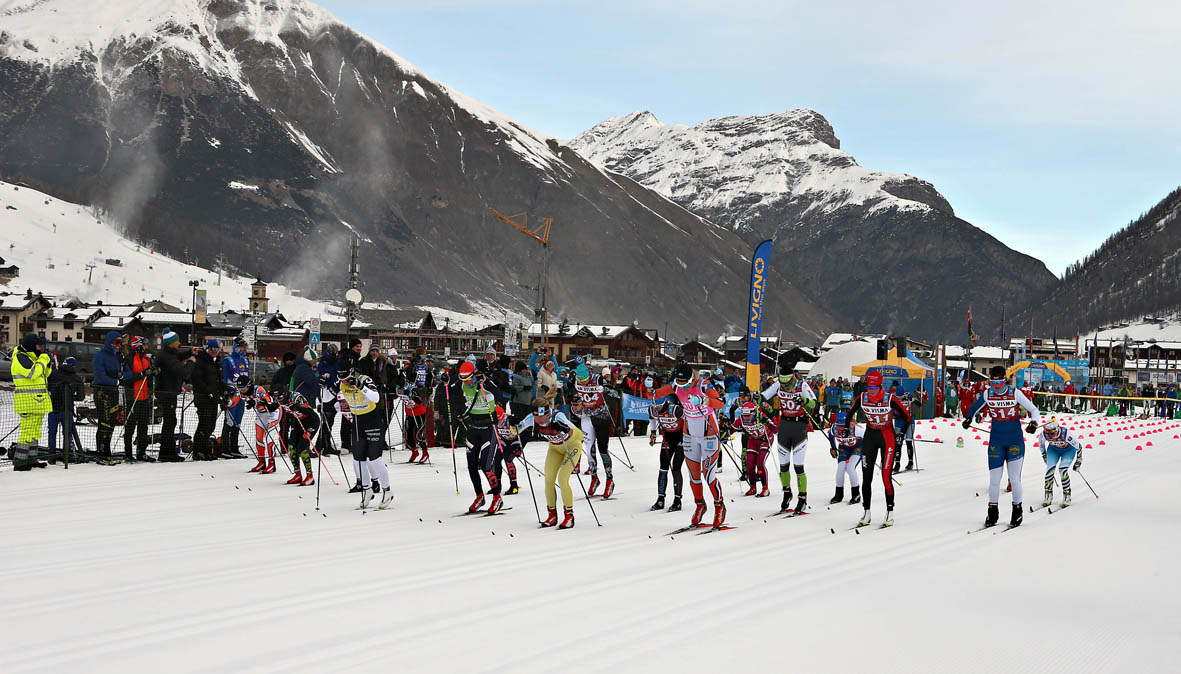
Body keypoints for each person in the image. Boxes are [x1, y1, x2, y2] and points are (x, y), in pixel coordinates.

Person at [651, 363, 727, 529]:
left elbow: (721, 402)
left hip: (708, 434)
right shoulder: (676, 385)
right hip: (690, 435)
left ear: (692, 378)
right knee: (694, 476)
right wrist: (650, 388)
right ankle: (700, 505)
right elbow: (657, 393)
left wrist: (703, 400)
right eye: (679, 384)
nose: (682, 388)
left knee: (709, 475)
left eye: (685, 384)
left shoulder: (703, 385)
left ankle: (719, 505)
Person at [964, 365, 1041, 528]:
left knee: (1014, 479)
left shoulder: (1014, 393)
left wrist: (1034, 423)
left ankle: (1017, 510)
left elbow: (1034, 410)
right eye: (993, 381)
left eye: (999, 381)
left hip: (1014, 441)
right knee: (994, 480)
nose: (996, 385)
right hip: (996, 441)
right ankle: (992, 512)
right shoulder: (987, 393)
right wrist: (968, 418)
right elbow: (974, 407)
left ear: (1005, 380)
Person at [843, 370, 911, 527]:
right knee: (866, 478)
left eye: (874, 387)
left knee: (886, 477)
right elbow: (849, 414)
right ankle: (866, 512)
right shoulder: (862, 397)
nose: (871, 391)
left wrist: (900, 434)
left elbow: (907, 416)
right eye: (869, 387)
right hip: (870, 437)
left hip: (887, 438)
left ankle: (890, 512)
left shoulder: (889, 398)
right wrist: (846, 428)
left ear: (880, 385)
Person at [760, 356, 817, 514]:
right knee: (783, 465)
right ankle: (787, 493)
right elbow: (765, 395)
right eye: (783, 383)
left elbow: (814, 402)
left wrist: (804, 400)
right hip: (784, 426)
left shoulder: (802, 385)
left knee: (798, 466)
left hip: (799, 427)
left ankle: (802, 498)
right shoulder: (778, 384)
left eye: (788, 383)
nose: (785, 386)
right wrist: (759, 399)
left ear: (793, 378)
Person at [516, 398, 583, 528]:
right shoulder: (531, 418)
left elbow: (579, 435)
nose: (539, 420)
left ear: (547, 413)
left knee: (563, 479)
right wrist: (513, 424)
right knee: (549, 480)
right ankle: (552, 515)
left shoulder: (558, 416)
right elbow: (516, 430)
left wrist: (564, 428)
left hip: (572, 447)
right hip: (555, 448)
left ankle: (569, 516)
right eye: (536, 417)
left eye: (542, 416)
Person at [457, 361, 510, 514]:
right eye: (463, 380)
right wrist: (447, 382)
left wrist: (485, 382)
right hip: (473, 428)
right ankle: (479, 496)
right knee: (471, 465)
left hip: (488, 429)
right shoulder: (463, 384)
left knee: (486, 465)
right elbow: (452, 390)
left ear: (474, 374)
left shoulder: (484, 383)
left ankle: (497, 496)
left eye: (468, 379)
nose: (466, 382)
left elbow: (500, 395)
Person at [337, 368, 393, 508]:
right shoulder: (341, 384)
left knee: (374, 459)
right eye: (341, 379)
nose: (343, 382)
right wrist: (324, 385)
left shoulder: (364, 379)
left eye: (345, 378)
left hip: (373, 421)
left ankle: (387, 491)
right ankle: (367, 490)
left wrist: (360, 386)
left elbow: (376, 397)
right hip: (357, 422)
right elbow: (327, 398)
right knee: (358, 460)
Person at [572, 363, 615, 497]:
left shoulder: (598, 379)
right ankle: (594, 478)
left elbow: (615, 393)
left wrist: (604, 389)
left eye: (584, 380)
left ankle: (609, 479)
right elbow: (575, 396)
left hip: (601, 415)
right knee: (589, 449)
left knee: (602, 449)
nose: (582, 383)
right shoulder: (576, 381)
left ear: (589, 376)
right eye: (580, 380)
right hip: (586, 416)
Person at [154, 328, 195, 462]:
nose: (179, 343)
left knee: (171, 422)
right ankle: (166, 452)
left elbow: (177, 355)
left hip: (168, 391)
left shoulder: (167, 353)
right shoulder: (167, 357)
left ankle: (168, 451)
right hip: (167, 393)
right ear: (171, 343)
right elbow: (182, 373)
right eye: (177, 341)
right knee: (170, 423)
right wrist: (191, 362)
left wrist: (189, 352)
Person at [91, 331, 126, 462]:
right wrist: (116, 382)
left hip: (114, 392)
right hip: (102, 392)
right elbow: (100, 375)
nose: (119, 345)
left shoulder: (118, 356)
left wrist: (123, 368)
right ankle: (101, 452)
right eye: (117, 342)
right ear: (110, 342)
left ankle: (107, 450)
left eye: (120, 343)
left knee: (112, 422)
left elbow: (124, 373)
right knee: (104, 421)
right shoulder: (100, 356)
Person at [647, 397, 686, 511]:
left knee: (676, 467)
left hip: (681, 437)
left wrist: (688, 436)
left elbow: (688, 419)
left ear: (664, 403)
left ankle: (677, 501)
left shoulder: (675, 410)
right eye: (655, 406)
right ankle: (660, 499)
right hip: (668, 438)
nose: (657, 409)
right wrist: (653, 434)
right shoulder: (652, 410)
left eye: (659, 406)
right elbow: (652, 419)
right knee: (663, 467)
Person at [190, 339, 223, 461]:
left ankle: (205, 449)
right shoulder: (201, 361)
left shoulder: (216, 362)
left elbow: (218, 380)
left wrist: (223, 389)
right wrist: (207, 391)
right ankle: (198, 451)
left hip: (213, 398)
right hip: (203, 398)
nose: (214, 352)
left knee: (211, 425)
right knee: (203, 425)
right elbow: (196, 380)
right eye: (212, 349)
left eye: (216, 350)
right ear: (207, 349)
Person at [218, 337, 250, 459]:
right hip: (232, 396)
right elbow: (225, 380)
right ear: (236, 347)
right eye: (242, 347)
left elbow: (247, 378)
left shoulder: (246, 360)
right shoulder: (228, 361)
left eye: (245, 347)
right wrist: (228, 393)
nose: (244, 349)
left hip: (242, 396)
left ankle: (235, 448)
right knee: (229, 422)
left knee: (237, 422)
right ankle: (225, 449)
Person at [734, 400, 774, 497]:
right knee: (750, 465)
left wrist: (767, 422)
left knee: (760, 464)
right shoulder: (741, 419)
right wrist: (723, 436)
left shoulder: (761, 416)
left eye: (749, 416)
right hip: (752, 440)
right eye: (745, 416)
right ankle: (753, 487)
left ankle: (765, 488)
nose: (746, 418)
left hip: (765, 439)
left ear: (753, 413)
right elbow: (732, 428)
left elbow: (775, 429)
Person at [1038, 417, 1081, 507]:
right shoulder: (1043, 434)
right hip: (1053, 450)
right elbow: (1041, 445)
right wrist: (1044, 456)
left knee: (1062, 470)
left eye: (1052, 433)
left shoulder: (1066, 434)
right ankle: (1048, 495)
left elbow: (1078, 446)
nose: (1049, 436)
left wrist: (1078, 461)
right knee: (1049, 470)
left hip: (1068, 451)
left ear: (1057, 429)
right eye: (1047, 433)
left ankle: (1067, 495)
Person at [47, 355, 84, 460]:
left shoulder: (54, 374)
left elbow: (47, 387)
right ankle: (66, 456)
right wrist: (70, 397)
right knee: (67, 433)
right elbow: (81, 396)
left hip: (52, 407)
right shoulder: (77, 378)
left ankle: (51, 455)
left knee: (52, 432)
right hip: (67, 409)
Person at [283, 392, 320, 486]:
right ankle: (298, 474)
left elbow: (309, 411)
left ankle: (310, 476)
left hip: (311, 422)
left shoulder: (297, 397)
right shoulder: (279, 398)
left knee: (302, 447)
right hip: (299, 422)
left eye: (280, 397)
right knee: (291, 447)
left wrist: (296, 407)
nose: (279, 399)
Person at [828, 411, 863, 505]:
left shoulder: (855, 429)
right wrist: (833, 448)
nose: (840, 428)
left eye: (843, 425)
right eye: (838, 425)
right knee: (840, 470)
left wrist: (868, 451)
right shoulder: (833, 429)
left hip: (857, 448)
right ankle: (838, 495)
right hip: (844, 449)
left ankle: (856, 494)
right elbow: (831, 437)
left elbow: (867, 437)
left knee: (850, 468)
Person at [245, 384, 280, 474]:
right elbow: (236, 401)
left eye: (243, 388)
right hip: (262, 414)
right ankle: (261, 462)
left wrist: (255, 403)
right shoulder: (244, 393)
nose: (242, 391)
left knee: (269, 438)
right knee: (259, 438)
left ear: (248, 386)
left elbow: (267, 402)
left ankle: (272, 464)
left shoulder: (258, 390)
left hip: (272, 411)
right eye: (240, 388)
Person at [494, 405, 523, 495]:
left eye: (499, 420)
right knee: (496, 459)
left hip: (515, 440)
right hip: (504, 440)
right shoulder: (492, 420)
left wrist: (520, 449)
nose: (498, 423)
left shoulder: (510, 420)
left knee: (508, 459)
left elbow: (526, 434)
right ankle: (497, 486)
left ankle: (514, 486)